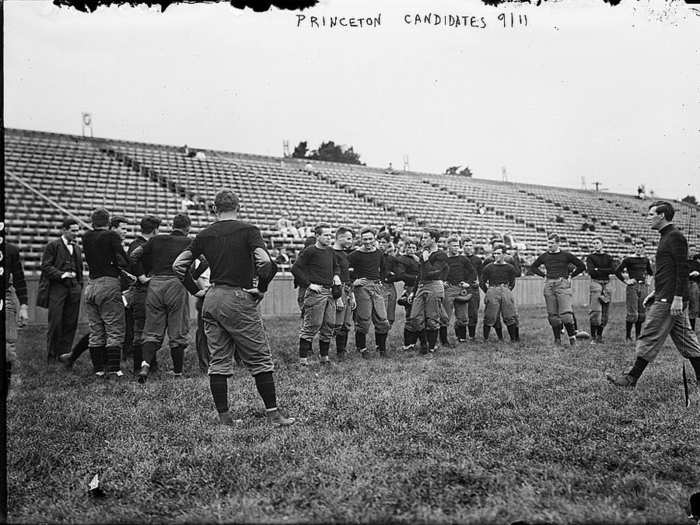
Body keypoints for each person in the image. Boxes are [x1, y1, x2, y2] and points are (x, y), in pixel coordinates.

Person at [172, 189, 294, 427]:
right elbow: (265, 261)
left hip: (212, 297)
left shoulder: (204, 234)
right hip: (238, 297)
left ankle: (224, 417)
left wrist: (196, 290)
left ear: (214, 209)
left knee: (218, 359)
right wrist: (262, 288)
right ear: (239, 207)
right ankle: (273, 414)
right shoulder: (249, 230)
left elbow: (178, 265)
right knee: (259, 358)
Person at [607, 201, 700, 390]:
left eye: (651, 214)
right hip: (666, 296)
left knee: (649, 333)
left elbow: (682, 270)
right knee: (687, 340)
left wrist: (678, 298)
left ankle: (631, 379)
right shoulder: (666, 237)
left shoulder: (675, 237)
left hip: (670, 300)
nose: (648, 218)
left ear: (662, 215)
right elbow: (668, 272)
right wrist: (656, 293)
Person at [132, 213, 193, 382]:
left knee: (151, 330)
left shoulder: (155, 240)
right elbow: (204, 261)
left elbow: (134, 256)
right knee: (178, 329)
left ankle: (145, 367)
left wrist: (142, 275)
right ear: (187, 228)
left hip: (155, 284)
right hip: (176, 283)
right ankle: (178, 372)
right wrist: (191, 276)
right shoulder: (188, 242)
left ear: (172, 225)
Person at [81, 209, 130, 379]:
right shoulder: (111, 236)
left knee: (96, 330)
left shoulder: (86, 236)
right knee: (114, 328)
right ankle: (114, 369)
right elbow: (122, 259)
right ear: (108, 222)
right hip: (108, 283)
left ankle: (98, 370)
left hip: (91, 284)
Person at [291, 223, 342, 366]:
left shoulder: (331, 251)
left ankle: (324, 358)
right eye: (326, 235)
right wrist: (309, 284)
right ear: (317, 236)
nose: (329, 238)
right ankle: (303, 361)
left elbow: (336, 267)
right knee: (312, 325)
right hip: (316, 293)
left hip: (330, 292)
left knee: (329, 325)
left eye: (330, 235)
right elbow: (295, 268)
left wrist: (336, 275)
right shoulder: (310, 251)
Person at [38, 218, 84, 365]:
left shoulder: (76, 248)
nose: (76, 233)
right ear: (64, 230)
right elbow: (45, 266)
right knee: (56, 322)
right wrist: (62, 274)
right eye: (73, 231)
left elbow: (79, 269)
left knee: (71, 322)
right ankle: (52, 356)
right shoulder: (53, 246)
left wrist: (79, 285)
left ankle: (65, 356)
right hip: (57, 287)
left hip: (74, 288)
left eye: (77, 231)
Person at [530, 233, 586, 346]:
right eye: (548, 243)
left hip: (562, 284)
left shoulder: (566, 255)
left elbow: (581, 266)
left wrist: (571, 276)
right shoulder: (544, 256)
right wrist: (543, 275)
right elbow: (533, 267)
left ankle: (572, 337)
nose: (549, 245)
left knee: (565, 314)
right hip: (549, 284)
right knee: (552, 315)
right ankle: (557, 340)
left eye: (552, 243)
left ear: (557, 243)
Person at [124, 215, 161, 374]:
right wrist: (143, 277)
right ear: (155, 230)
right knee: (141, 330)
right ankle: (140, 366)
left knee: (146, 329)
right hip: (142, 290)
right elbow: (133, 262)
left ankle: (149, 364)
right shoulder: (140, 245)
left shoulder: (136, 244)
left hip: (144, 290)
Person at [404, 229, 449, 354]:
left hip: (434, 286)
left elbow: (433, 273)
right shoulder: (423, 254)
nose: (422, 241)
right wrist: (413, 291)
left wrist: (426, 259)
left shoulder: (441, 255)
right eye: (422, 238)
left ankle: (431, 347)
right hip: (422, 286)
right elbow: (421, 274)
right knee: (415, 318)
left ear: (433, 239)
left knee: (432, 319)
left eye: (425, 238)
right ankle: (424, 343)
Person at [348, 228, 391, 357]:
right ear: (361, 240)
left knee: (382, 319)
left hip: (376, 287)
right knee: (364, 318)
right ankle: (361, 348)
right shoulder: (355, 254)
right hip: (362, 287)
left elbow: (383, 269)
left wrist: (381, 281)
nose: (367, 242)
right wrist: (353, 281)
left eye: (370, 239)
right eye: (365, 239)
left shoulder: (379, 253)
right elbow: (344, 269)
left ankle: (381, 348)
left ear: (374, 239)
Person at [614, 240, 654, 342]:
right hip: (633, 286)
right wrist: (626, 281)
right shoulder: (629, 259)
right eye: (637, 247)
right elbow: (617, 271)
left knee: (641, 312)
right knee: (632, 313)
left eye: (641, 247)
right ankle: (628, 336)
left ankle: (638, 336)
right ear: (634, 248)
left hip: (643, 286)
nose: (639, 249)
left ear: (643, 248)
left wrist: (648, 281)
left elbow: (650, 272)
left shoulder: (645, 259)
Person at [441, 236, 476, 345]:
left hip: (461, 289)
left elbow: (473, 272)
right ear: (448, 246)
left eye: (457, 246)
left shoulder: (463, 259)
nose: (456, 248)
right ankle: (443, 340)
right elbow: (437, 272)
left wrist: (468, 283)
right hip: (448, 289)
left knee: (463, 316)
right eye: (454, 246)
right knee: (445, 316)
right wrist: (442, 281)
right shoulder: (443, 259)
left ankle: (461, 337)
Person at [480, 244, 519, 342]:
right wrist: (488, 291)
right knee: (490, 315)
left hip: (505, 289)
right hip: (493, 289)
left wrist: (507, 290)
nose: (496, 255)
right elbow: (482, 282)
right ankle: (485, 339)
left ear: (504, 254)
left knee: (509, 315)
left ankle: (513, 339)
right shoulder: (488, 267)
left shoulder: (509, 267)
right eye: (495, 253)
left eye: (499, 253)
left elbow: (512, 281)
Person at [5, 242, 29, 398]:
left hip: (6, 296)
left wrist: (24, 307)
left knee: (8, 344)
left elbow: (19, 278)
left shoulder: (10, 249)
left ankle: (9, 386)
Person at [586, 237, 617, 344]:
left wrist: (598, 270)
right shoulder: (590, 257)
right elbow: (591, 272)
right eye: (593, 243)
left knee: (605, 312)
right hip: (595, 283)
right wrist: (603, 271)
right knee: (595, 311)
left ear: (602, 244)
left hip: (607, 284)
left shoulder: (608, 257)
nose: (595, 245)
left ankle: (599, 336)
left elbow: (613, 269)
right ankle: (593, 337)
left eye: (597, 243)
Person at [331, 227, 356, 360]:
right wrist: (337, 296)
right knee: (337, 323)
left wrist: (352, 295)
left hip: (347, 289)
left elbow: (348, 276)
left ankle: (342, 351)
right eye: (348, 238)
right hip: (338, 289)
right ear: (339, 237)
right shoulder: (331, 253)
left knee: (346, 323)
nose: (350, 241)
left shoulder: (345, 254)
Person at [395, 239, 421, 350]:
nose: (411, 250)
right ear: (405, 248)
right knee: (410, 314)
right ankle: (408, 343)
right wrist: (416, 278)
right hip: (410, 287)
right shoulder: (402, 259)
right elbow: (401, 274)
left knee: (420, 315)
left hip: (421, 287)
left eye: (413, 248)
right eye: (409, 247)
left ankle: (416, 342)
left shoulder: (419, 258)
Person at [377, 232, 400, 329]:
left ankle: (385, 336)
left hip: (390, 285)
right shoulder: (375, 255)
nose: (381, 244)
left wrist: (391, 276)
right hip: (380, 285)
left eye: (384, 242)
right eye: (380, 242)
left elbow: (398, 273)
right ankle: (380, 339)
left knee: (390, 315)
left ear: (388, 243)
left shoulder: (391, 258)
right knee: (382, 315)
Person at [462, 238, 483, 341]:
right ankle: (460, 336)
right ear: (462, 246)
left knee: (473, 313)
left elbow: (481, 274)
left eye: (470, 245)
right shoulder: (459, 259)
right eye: (466, 245)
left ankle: (471, 335)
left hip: (473, 288)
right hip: (461, 287)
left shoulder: (477, 260)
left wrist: (479, 282)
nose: (468, 247)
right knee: (461, 313)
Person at [689, 247, 700, 331]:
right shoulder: (683, 262)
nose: (693, 252)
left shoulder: (697, 264)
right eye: (691, 250)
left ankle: (692, 328)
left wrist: (698, 273)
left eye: (694, 251)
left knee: (694, 307)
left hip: (694, 285)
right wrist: (690, 274)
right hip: (684, 285)